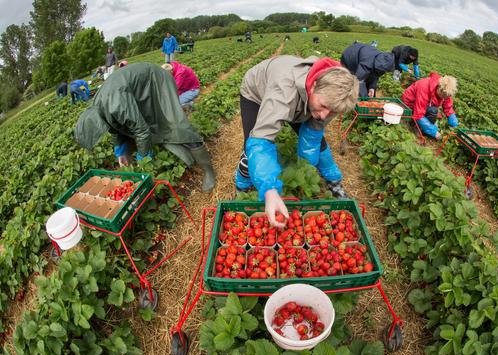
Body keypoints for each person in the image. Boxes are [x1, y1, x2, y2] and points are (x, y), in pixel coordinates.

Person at [234, 55, 359, 227]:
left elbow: (312, 138)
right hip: (256, 93)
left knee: (317, 139)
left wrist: (306, 170)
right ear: (314, 85)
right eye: (323, 107)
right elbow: (261, 140)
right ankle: (242, 187)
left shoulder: (329, 98)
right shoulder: (283, 92)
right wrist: (270, 190)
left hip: (303, 100)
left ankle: (334, 182)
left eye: (332, 112)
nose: (324, 115)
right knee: (251, 145)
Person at [73, 63, 216, 192]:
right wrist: (121, 152)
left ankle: (208, 170)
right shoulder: (97, 110)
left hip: (158, 81)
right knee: (154, 124)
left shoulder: (116, 105)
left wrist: (143, 159)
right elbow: (114, 128)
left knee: (176, 124)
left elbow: (142, 131)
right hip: (141, 90)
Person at [401, 71, 459, 140]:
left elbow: (448, 107)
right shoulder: (424, 87)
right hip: (410, 103)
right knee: (433, 111)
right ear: (439, 88)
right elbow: (419, 114)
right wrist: (434, 132)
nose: (444, 98)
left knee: (434, 111)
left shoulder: (445, 92)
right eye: (444, 95)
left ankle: (424, 127)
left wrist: (454, 123)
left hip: (424, 104)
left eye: (447, 96)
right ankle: (416, 127)